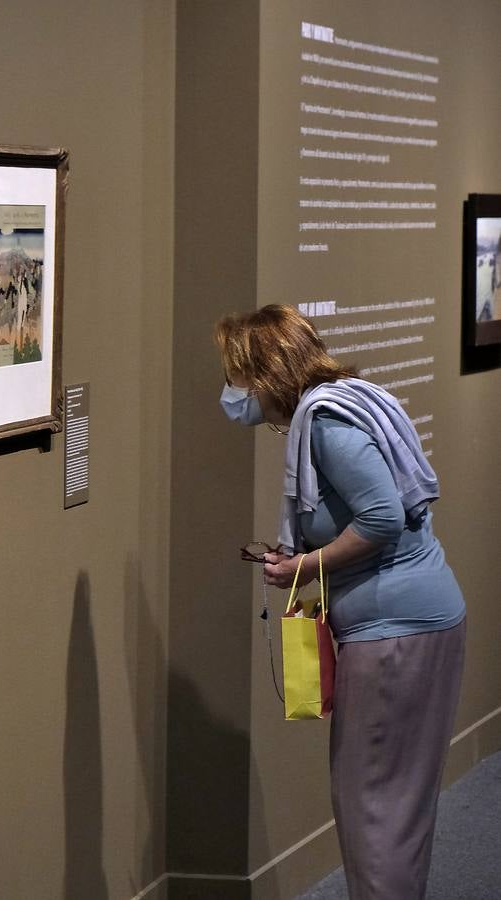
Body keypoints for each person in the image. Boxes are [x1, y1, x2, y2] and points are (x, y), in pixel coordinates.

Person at [215, 304, 466, 900]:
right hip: (419, 620)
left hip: (394, 633)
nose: (231, 393)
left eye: (236, 377)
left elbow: (381, 517)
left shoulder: (324, 424)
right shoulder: (349, 399)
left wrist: (305, 565)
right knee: (397, 808)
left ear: (265, 374)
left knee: (373, 809)